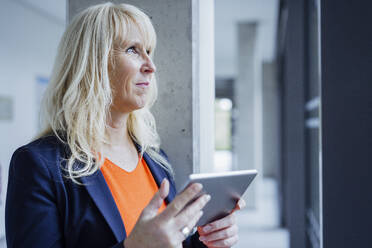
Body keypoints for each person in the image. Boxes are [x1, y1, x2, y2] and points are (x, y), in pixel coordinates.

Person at [5, 3, 244, 248]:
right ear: (92, 63)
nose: (151, 66)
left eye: (149, 51)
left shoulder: (155, 160)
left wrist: (208, 240)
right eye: (132, 50)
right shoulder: (38, 166)